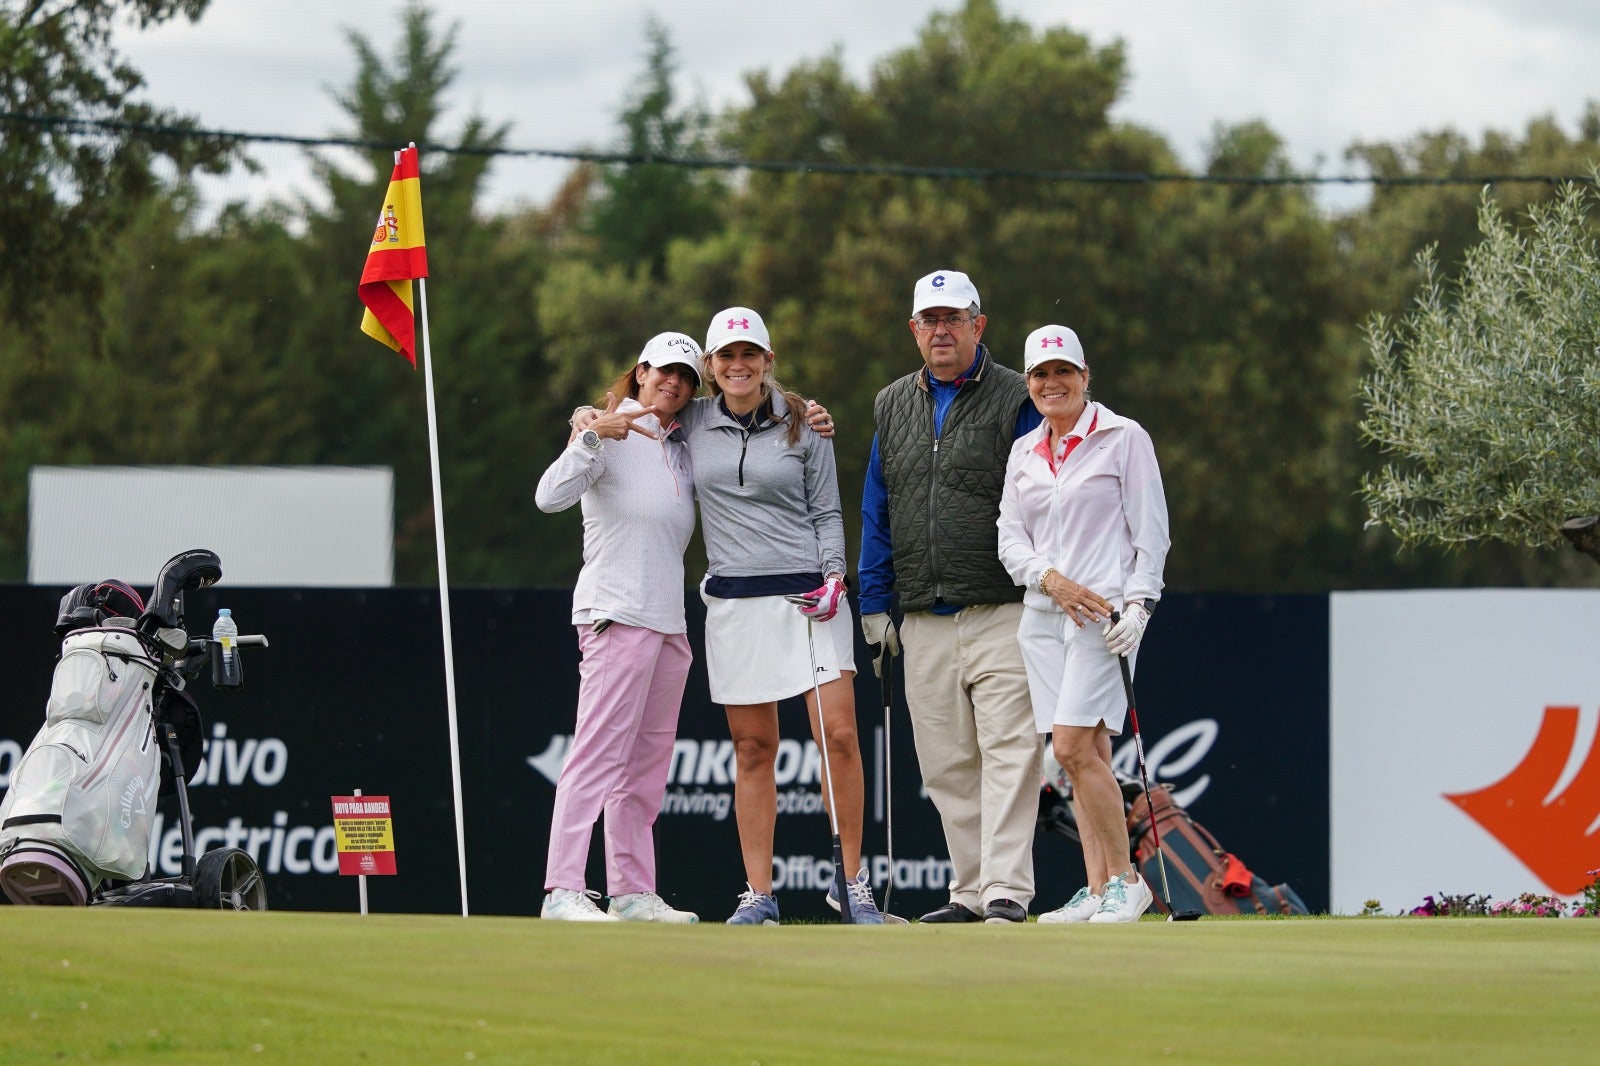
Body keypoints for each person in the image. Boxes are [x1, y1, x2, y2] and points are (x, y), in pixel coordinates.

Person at [858, 269, 1046, 924]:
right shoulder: (891, 405)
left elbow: (1042, 495)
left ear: (978, 325)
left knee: (1009, 752)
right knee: (945, 765)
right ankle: (969, 892)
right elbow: (876, 510)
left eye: (953, 318)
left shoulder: (1017, 397)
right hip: (921, 614)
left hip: (1002, 604)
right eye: (929, 320)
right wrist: (874, 603)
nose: (941, 331)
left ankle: (1005, 892)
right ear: (914, 330)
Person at [689, 306, 884, 926]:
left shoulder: (806, 424)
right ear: (711, 367)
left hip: (809, 597)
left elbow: (828, 511)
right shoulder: (687, 421)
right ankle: (759, 895)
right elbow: (630, 408)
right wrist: (588, 417)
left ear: (768, 361)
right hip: (735, 602)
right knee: (752, 748)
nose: (738, 366)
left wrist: (834, 575)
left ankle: (852, 884)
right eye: (727, 357)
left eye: (750, 355)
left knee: (841, 737)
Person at [996, 324, 1170, 923]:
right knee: (1083, 753)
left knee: (1071, 747)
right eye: (1041, 374)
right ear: (1029, 382)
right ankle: (1098, 889)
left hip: (1103, 617)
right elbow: (1009, 539)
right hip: (1042, 617)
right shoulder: (1024, 451)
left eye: (1063, 372)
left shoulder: (1124, 437)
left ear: (1084, 376)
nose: (1052, 383)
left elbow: (1152, 532)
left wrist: (1141, 607)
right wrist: (1051, 581)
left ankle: (1127, 881)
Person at [533, 331, 705, 923]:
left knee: (646, 766)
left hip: (669, 625)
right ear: (640, 372)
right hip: (615, 613)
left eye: (685, 377)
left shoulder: (681, 445)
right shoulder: (607, 430)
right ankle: (562, 889)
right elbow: (548, 497)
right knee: (598, 754)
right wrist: (587, 436)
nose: (675, 383)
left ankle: (631, 891)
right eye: (665, 372)